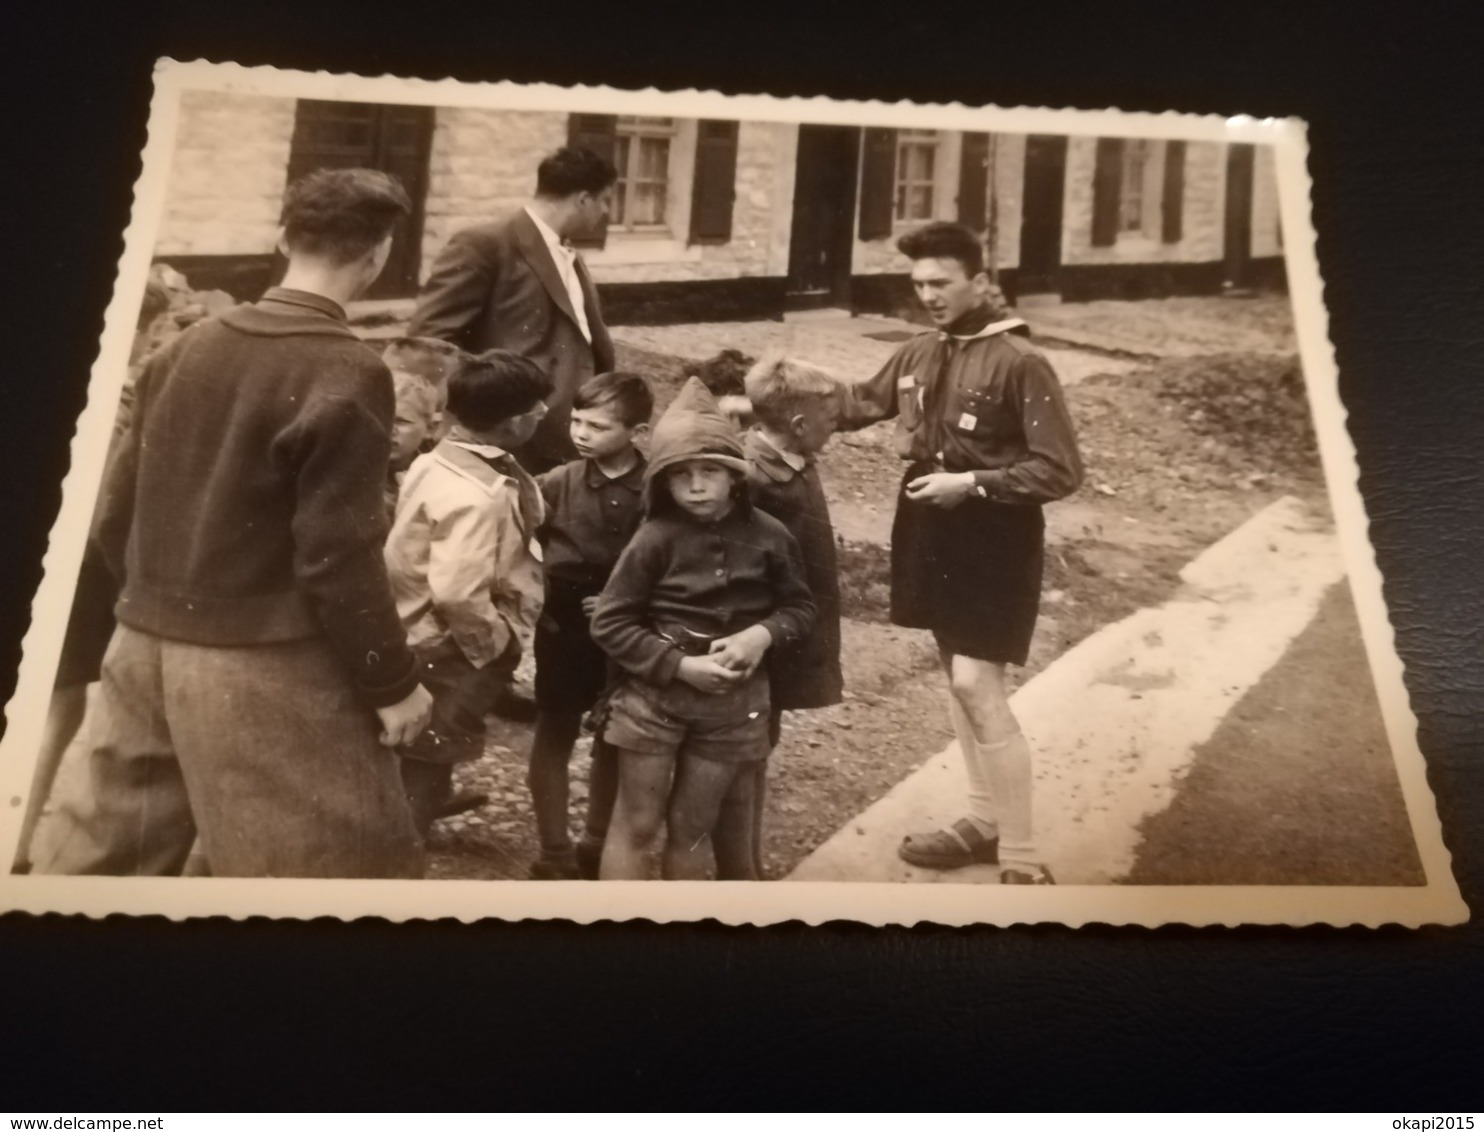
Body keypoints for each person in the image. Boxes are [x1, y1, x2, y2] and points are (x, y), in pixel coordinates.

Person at [34, 168, 433, 879]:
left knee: (98, 871)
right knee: (329, 880)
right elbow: (338, 557)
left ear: (283, 239)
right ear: (378, 257)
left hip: (142, 646)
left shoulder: (183, 347)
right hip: (261, 665)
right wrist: (392, 681)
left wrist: (161, 606)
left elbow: (114, 514)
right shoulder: (350, 370)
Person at [836, 221, 1084, 885]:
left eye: (941, 282)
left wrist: (973, 482)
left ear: (980, 279)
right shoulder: (921, 349)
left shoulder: (1021, 360)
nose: (929, 295)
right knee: (958, 676)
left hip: (992, 532)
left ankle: (1023, 858)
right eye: (919, 284)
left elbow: (1059, 470)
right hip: (927, 524)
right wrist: (758, 400)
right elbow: (859, 402)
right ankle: (983, 822)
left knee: (977, 681)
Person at [590, 378, 815, 881]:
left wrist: (761, 635)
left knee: (693, 826)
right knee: (637, 822)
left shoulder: (770, 536)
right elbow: (610, 620)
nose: (695, 485)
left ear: (735, 477)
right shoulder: (654, 539)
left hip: (734, 709)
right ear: (661, 483)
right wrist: (681, 666)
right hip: (654, 701)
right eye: (680, 475)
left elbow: (800, 608)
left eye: (710, 471)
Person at [385, 350, 551, 836]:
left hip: (414, 626)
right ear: (515, 423)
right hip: (451, 644)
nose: (543, 414)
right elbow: (458, 592)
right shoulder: (478, 496)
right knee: (434, 738)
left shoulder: (436, 461)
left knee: (430, 735)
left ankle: (426, 799)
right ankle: (408, 837)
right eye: (538, 408)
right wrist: (496, 641)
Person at [709, 355, 848, 880]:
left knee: (762, 745)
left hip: (786, 634)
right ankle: (739, 873)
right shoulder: (753, 478)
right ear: (797, 426)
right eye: (830, 419)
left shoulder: (791, 455)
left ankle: (746, 861)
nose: (837, 424)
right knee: (743, 753)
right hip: (759, 639)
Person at [407, 146, 618, 474]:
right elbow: (430, 344)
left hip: (569, 438)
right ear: (583, 199)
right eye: (605, 201)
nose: (606, 212)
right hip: (513, 439)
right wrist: (490, 416)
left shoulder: (567, 251)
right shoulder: (484, 243)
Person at [526, 371, 653, 879]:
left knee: (612, 732)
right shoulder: (557, 483)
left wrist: (627, 604)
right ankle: (553, 850)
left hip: (625, 626)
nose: (580, 433)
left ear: (637, 432)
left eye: (597, 426)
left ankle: (596, 843)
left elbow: (667, 557)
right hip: (563, 625)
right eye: (576, 420)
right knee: (554, 727)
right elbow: (518, 540)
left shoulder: (658, 488)